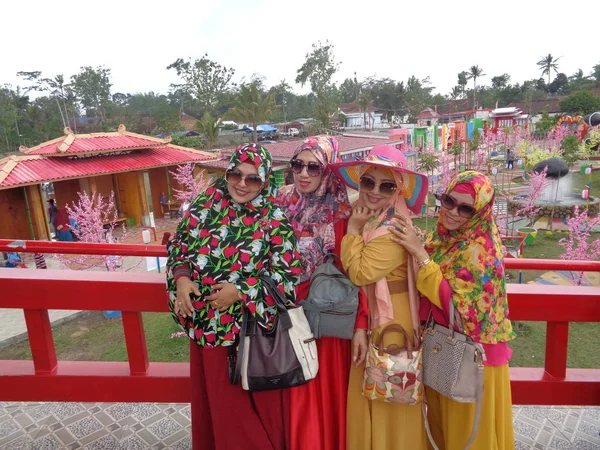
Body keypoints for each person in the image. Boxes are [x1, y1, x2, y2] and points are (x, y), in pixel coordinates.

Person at [166, 143, 301, 450]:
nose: (242, 183)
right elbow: (178, 247)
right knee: (215, 405)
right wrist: (182, 278)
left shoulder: (273, 216)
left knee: (240, 412)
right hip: (205, 328)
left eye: (253, 178)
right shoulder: (206, 203)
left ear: (265, 181)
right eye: (235, 174)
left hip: (248, 336)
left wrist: (239, 292)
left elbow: (287, 274)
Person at [390, 170, 516, 450]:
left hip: (473, 357)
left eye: (466, 208)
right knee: (443, 428)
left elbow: (459, 307)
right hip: (445, 348)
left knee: (468, 435)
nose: (453, 212)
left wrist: (421, 256)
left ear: (480, 213)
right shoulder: (446, 239)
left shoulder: (481, 251)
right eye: (449, 201)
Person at [330, 144, 429, 450]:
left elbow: (359, 273)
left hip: (390, 318)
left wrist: (354, 229)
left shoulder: (392, 228)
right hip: (374, 313)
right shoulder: (377, 219)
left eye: (386, 185)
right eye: (367, 182)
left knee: (391, 390)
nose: (374, 191)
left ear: (398, 190)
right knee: (373, 386)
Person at [276, 136, 356, 450]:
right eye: (297, 164)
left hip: (326, 313)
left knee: (327, 389)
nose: (304, 173)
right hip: (290, 311)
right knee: (297, 386)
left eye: (314, 166)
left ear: (327, 170)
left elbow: (350, 266)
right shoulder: (281, 201)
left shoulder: (342, 210)